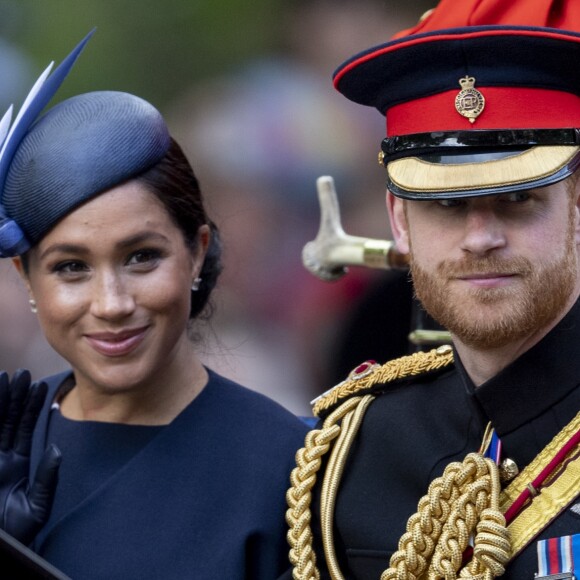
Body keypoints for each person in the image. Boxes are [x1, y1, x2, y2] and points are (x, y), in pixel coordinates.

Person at [283, 0, 580, 578]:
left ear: (577, 201)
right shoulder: (353, 451)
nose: (480, 238)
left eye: (518, 197)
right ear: (398, 218)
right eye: (445, 203)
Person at [0, 33, 308, 579]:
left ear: (197, 252)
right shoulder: (9, 447)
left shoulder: (293, 469)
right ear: (26, 277)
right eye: (71, 267)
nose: (112, 303)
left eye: (141, 257)